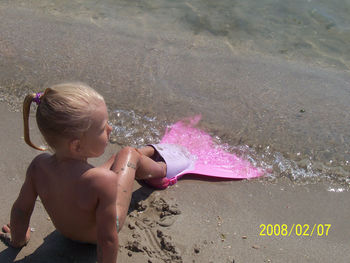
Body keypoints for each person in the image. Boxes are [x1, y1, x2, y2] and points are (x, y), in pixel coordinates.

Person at [0, 83, 167, 263]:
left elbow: (21, 210)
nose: (110, 129)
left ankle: (150, 151)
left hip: (66, 230)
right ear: (77, 145)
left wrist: (18, 239)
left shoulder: (38, 166)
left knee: (117, 158)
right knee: (128, 153)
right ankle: (163, 169)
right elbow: (107, 240)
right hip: (94, 236)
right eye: (103, 128)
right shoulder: (103, 181)